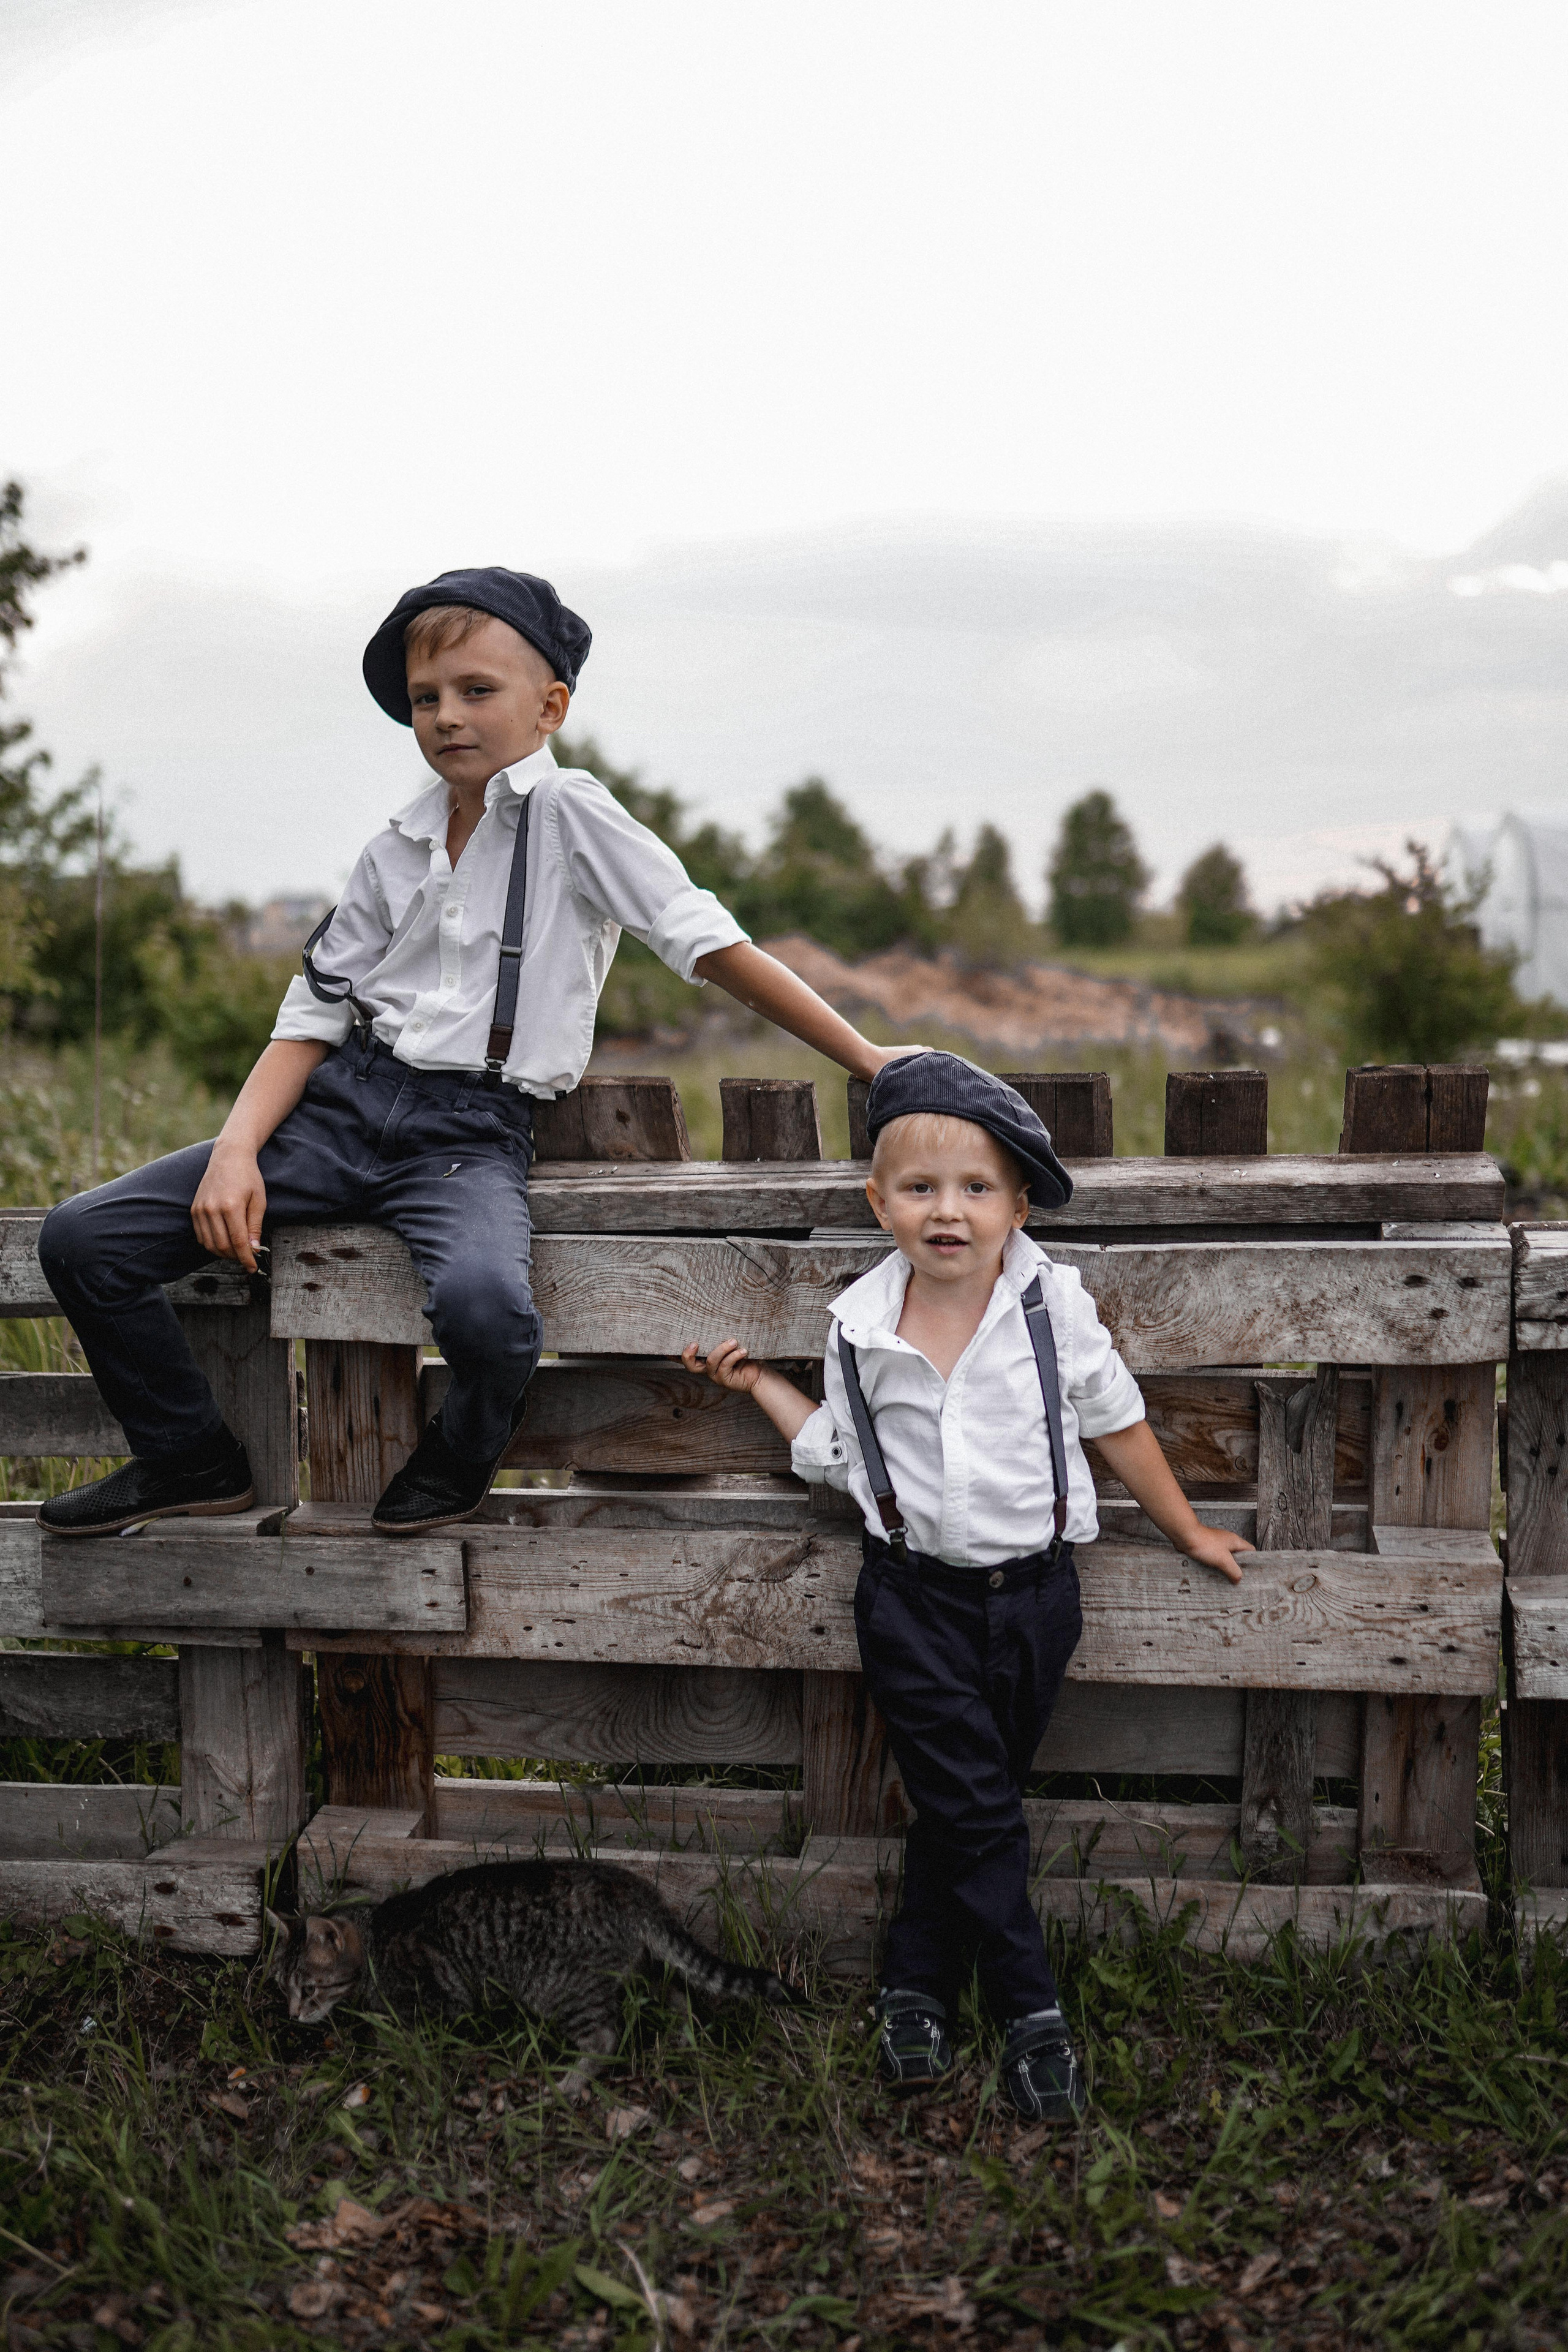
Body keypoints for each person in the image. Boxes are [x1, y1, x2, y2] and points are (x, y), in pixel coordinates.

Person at [37, 565, 912, 1540]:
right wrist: (239, 1148)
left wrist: (868, 1057)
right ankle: (189, 1457)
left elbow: (706, 941)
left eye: (476, 691)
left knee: (486, 1310)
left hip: (467, 1134)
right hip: (341, 1110)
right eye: (426, 698)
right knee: (83, 1239)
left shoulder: (572, 814)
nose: (447, 716)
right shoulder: (395, 846)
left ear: (551, 706)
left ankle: (460, 1457)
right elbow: (313, 1011)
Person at [683, 1052, 1252, 2122]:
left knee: (963, 1811)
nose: (949, 1211)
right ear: (879, 1201)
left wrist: (1185, 1530)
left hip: (1037, 1600)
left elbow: (1117, 1421)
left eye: (977, 1189)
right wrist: (763, 1384)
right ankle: (1033, 2013)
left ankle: (915, 1985)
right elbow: (845, 1461)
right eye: (921, 1188)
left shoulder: (1052, 1308)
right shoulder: (858, 1327)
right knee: (981, 1811)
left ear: (1018, 1204)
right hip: (911, 1602)